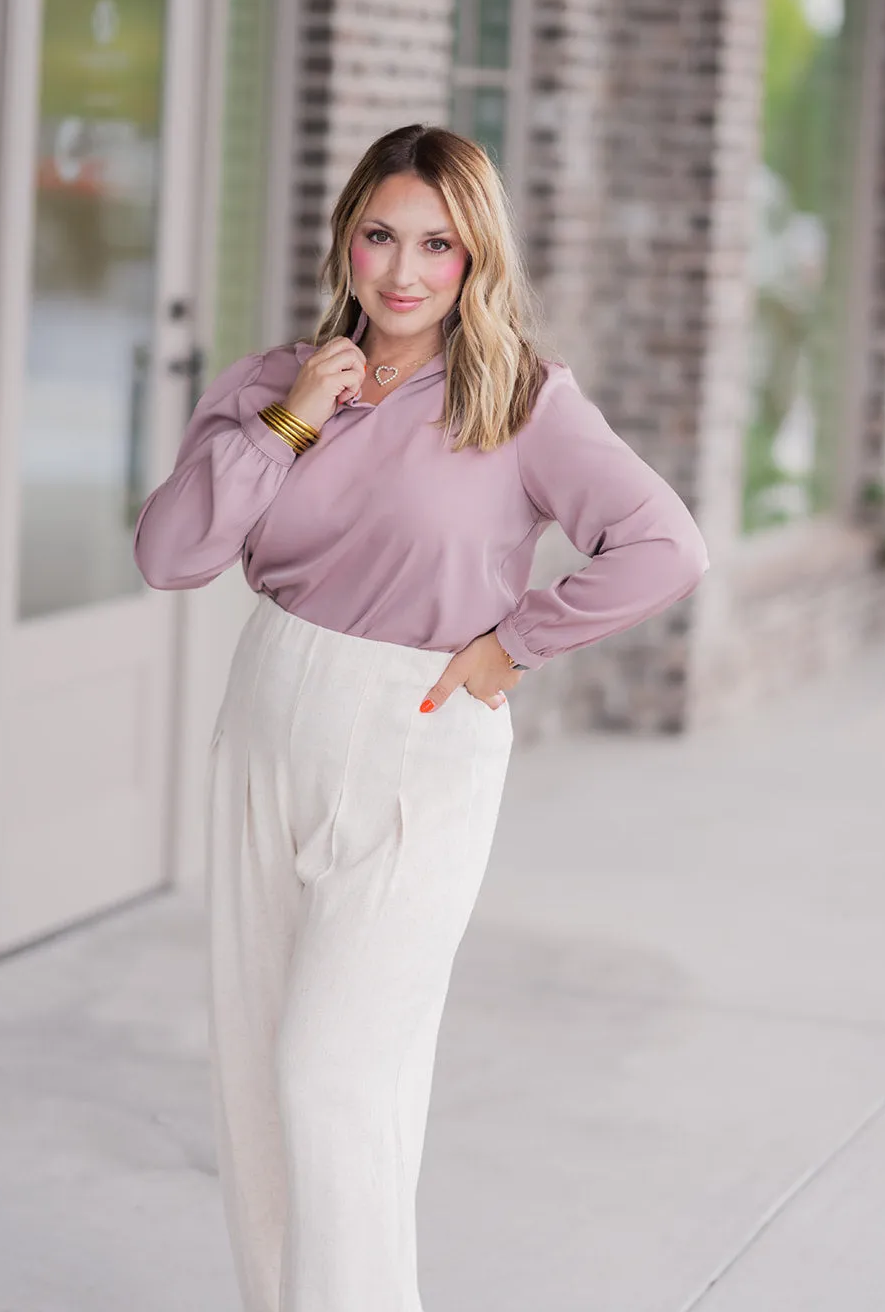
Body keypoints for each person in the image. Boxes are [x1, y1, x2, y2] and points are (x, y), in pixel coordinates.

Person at [132, 123, 709, 1312]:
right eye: (381, 235)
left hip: (415, 731)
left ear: (473, 256)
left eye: (435, 244)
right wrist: (290, 420)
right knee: (256, 1077)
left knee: (329, 1075)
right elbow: (170, 552)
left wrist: (515, 642)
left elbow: (665, 545)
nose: (401, 272)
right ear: (345, 236)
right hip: (269, 713)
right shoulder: (269, 386)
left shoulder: (520, 399)